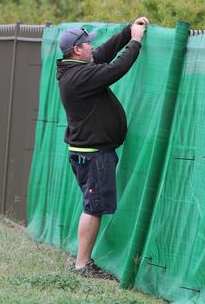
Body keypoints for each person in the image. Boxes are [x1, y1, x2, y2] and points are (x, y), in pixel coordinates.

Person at [56, 17, 149, 278]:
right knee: (93, 207)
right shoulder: (79, 76)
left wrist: (127, 31)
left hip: (90, 152)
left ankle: (82, 261)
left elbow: (104, 53)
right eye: (87, 44)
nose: (91, 47)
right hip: (93, 154)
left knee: (92, 204)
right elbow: (116, 68)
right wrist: (136, 41)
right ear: (77, 50)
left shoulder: (74, 68)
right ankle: (82, 265)